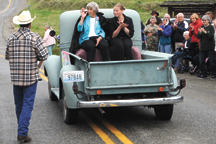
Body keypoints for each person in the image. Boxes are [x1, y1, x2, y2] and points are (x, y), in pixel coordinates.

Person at [5, 11, 48, 142]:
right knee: (27, 104)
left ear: (19, 24)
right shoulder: (35, 37)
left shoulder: (11, 37)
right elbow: (44, 55)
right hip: (30, 77)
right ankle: (22, 133)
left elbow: (7, 56)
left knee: (19, 104)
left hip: (16, 77)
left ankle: (21, 128)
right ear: (30, 24)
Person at [197, 15, 216, 79]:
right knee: (201, 61)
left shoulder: (211, 27)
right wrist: (199, 32)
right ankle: (203, 73)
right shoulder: (201, 27)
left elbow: (211, 36)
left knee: (212, 62)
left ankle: (213, 74)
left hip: (210, 47)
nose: (204, 21)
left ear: (208, 21)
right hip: (203, 48)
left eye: (205, 20)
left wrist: (205, 32)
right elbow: (198, 36)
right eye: (203, 20)